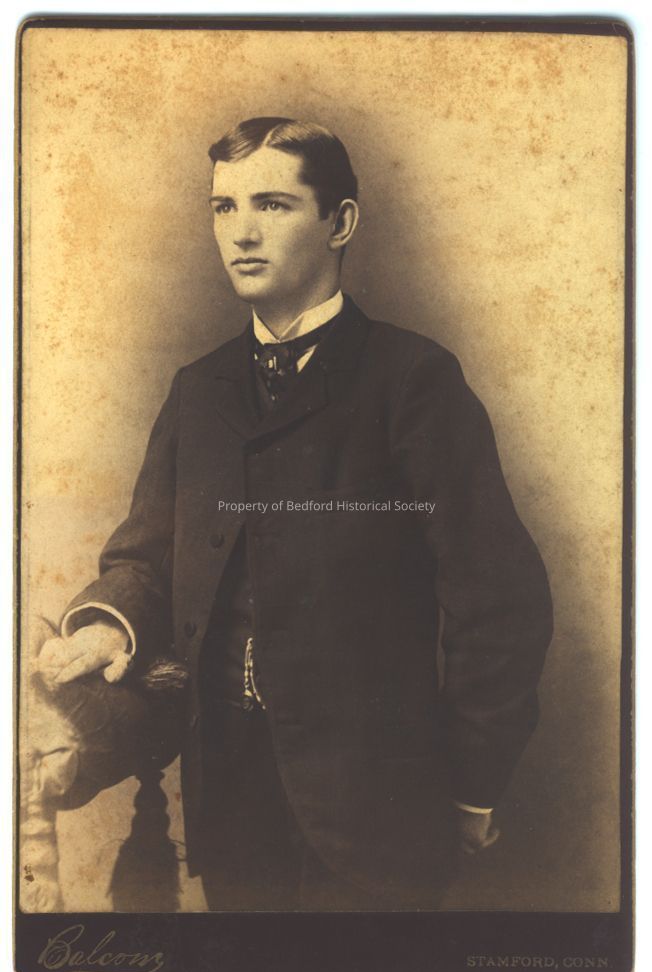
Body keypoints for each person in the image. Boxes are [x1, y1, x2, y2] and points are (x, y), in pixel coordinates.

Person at [37, 117, 553, 911]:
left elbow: (499, 601)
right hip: (229, 795)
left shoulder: (412, 380)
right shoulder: (198, 390)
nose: (241, 233)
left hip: (377, 809)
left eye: (272, 205)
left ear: (339, 222)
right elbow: (145, 557)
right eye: (224, 207)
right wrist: (109, 627)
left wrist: (473, 784)